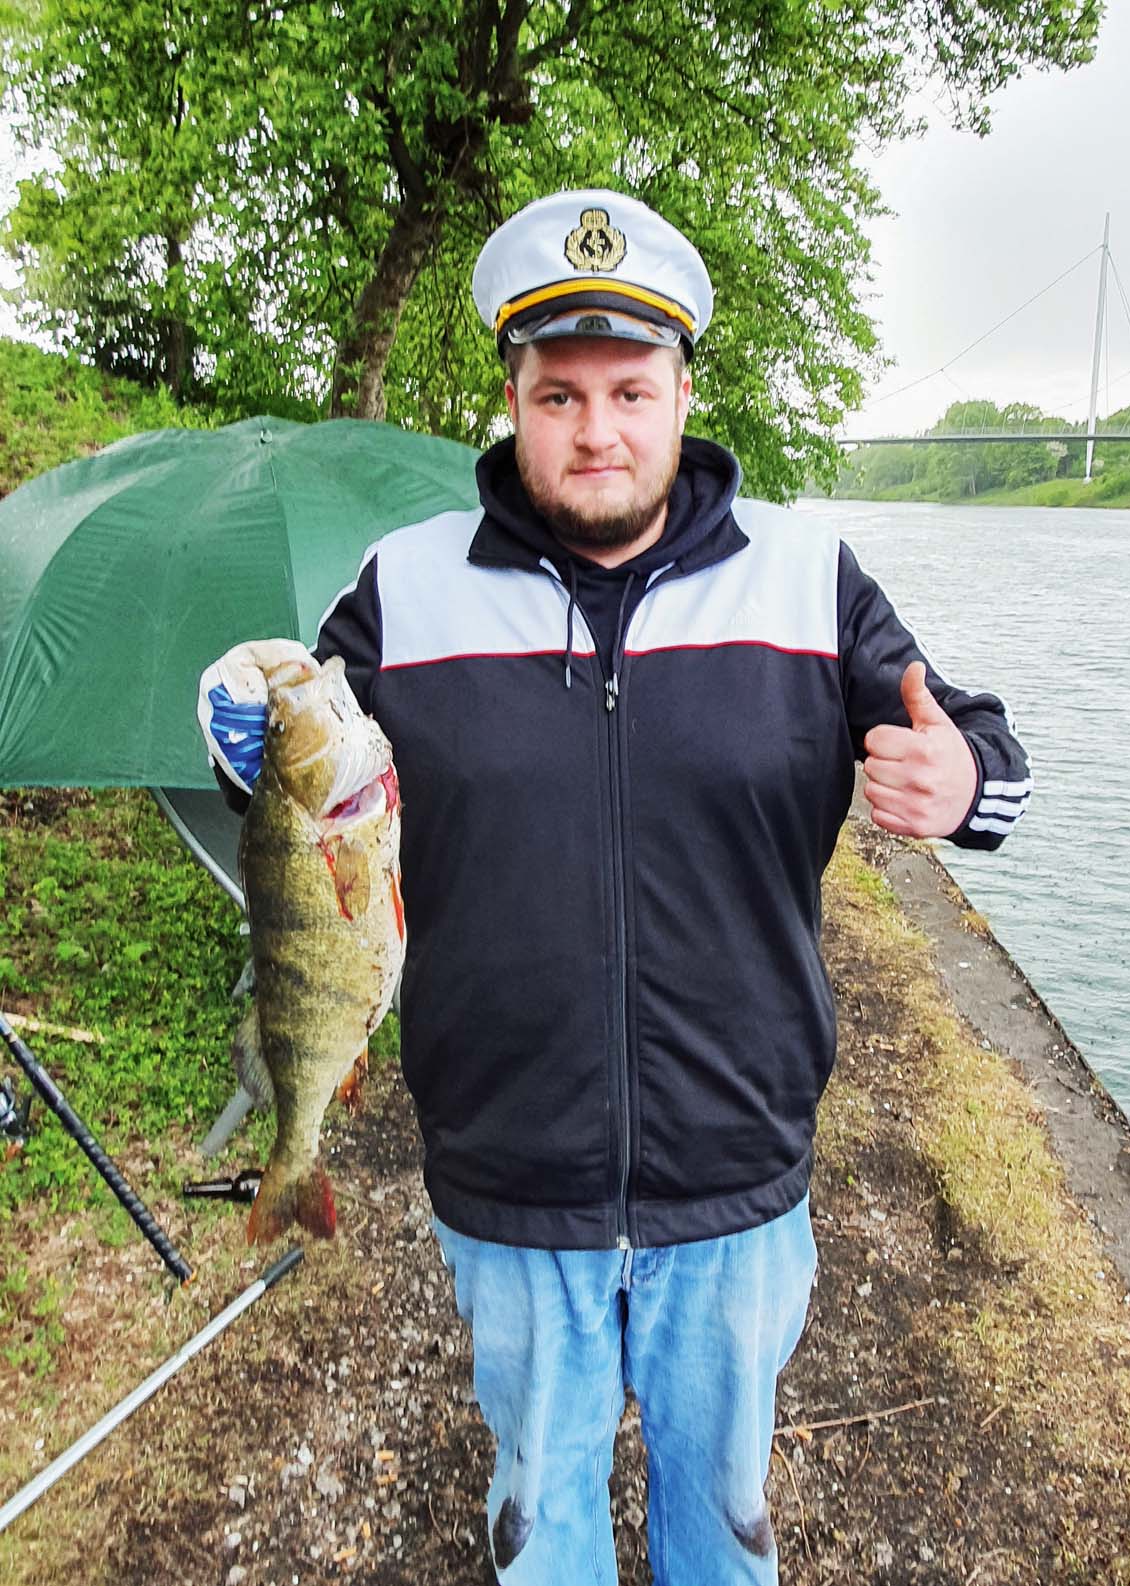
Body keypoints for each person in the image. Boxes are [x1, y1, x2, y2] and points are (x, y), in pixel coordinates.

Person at [200, 189, 1031, 1585]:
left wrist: (961, 785)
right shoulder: (405, 589)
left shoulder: (807, 579)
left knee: (726, 1530)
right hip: (512, 1183)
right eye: (559, 393)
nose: (597, 430)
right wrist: (229, 712)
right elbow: (291, 777)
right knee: (543, 1527)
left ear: (684, 392)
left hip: (738, 1184)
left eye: (630, 390)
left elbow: (981, 747)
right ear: (513, 401)